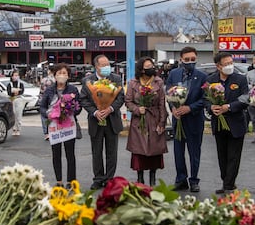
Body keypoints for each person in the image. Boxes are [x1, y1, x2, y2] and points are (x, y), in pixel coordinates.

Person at [204, 52, 249, 194]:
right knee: (222, 156)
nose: (230, 66)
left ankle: (229, 184)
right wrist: (211, 107)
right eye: (226, 64)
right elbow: (205, 99)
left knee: (233, 156)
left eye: (231, 62)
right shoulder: (210, 80)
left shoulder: (240, 79)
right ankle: (226, 181)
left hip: (236, 123)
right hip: (219, 123)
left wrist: (229, 107)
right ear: (218, 66)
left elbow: (245, 99)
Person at [165, 46, 207, 192]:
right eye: (187, 59)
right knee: (178, 151)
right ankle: (181, 179)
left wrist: (190, 108)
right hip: (178, 119)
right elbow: (168, 92)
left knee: (194, 151)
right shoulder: (174, 74)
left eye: (193, 59)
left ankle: (194, 180)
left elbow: (205, 98)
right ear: (181, 60)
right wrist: (173, 108)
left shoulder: (202, 76)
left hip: (194, 119)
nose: (190, 62)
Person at [79, 55, 125, 190]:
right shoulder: (87, 81)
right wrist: (95, 112)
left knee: (112, 152)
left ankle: (110, 179)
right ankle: (98, 178)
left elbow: (120, 97)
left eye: (107, 65)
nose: (106, 68)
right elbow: (84, 99)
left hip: (112, 120)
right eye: (103, 65)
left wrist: (110, 109)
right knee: (97, 152)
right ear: (96, 67)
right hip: (96, 120)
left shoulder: (115, 78)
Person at [125, 57, 168, 186]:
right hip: (139, 121)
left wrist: (162, 122)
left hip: (154, 118)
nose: (152, 68)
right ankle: (140, 178)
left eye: (152, 65)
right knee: (139, 150)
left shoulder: (158, 82)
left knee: (155, 149)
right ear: (142, 69)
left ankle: (153, 178)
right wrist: (137, 109)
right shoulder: (133, 83)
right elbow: (128, 102)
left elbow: (161, 103)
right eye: (148, 66)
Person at [39, 63, 81, 187]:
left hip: (68, 126)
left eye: (64, 73)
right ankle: (59, 181)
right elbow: (42, 106)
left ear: (68, 76)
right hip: (54, 126)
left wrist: (71, 110)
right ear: (55, 75)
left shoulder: (73, 90)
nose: (62, 76)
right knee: (56, 154)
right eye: (59, 73)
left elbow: (79, 106)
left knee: (70, 154)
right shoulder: (49, 90)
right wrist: (49, 114)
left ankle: (71, 181)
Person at [6, 69, 26, 136]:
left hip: (19, 99)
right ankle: (14, 128)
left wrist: (16, 92)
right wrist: (15, 92)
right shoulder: (9, 84)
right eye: (15, 75)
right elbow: (9, 92)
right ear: (12, 76)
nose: (16, 77)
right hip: (12, 100)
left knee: (19, 115)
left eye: (17, 75)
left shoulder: (21, 84)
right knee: (13, 114)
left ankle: (18, 129)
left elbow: (21, 91)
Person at [39, 68, 55, 140]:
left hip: (44, 100)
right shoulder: (55, 80)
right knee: (52, 116)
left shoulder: (44, 80)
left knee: (45, 116)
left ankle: (46, 133)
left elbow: (41, 90)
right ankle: (51, 130)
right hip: (53, 100)